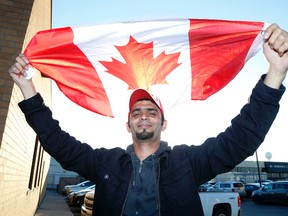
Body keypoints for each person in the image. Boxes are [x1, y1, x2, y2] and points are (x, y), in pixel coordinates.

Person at [8, 23, 288, 216]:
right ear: (127, 124)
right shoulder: (106, 163)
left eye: (152, 111)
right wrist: (28, 88)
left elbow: (240, 140)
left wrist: (275, 73)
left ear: (163, 123)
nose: (144, 115)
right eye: (137, 112)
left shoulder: (188, 162)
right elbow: (58, 143)